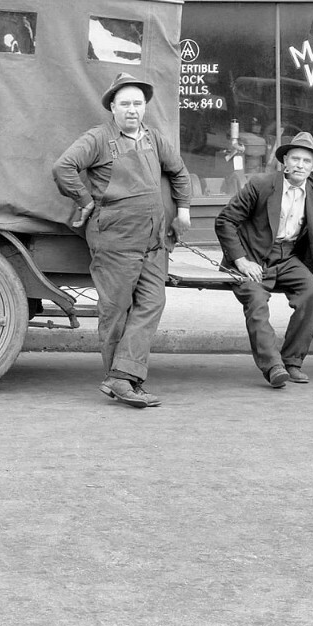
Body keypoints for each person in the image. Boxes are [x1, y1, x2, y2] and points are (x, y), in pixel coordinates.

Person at [53, 72, 192, 408]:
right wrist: (86, 201)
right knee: (115, 311)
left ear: (145, 107)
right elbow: (64, 167)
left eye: (138, 104)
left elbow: (179, 172)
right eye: (125, 103)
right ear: (112, 107)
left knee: (152, 303)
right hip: (114, 240)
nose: (132, 110)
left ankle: (121, 377)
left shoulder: (155, 139)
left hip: (153, 241)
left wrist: (184, 210)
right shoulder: (98, 139)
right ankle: (122, 380)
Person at [214, 131, 313, 388]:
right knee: (256, 300)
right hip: (253, 257)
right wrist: (241, 261)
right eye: (295, 159)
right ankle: (273, 366)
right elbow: (225, 221)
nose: (300, 165)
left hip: (287, 259)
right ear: (285, 161)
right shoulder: (261, 185)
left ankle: (292, 361)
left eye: (306, 161)